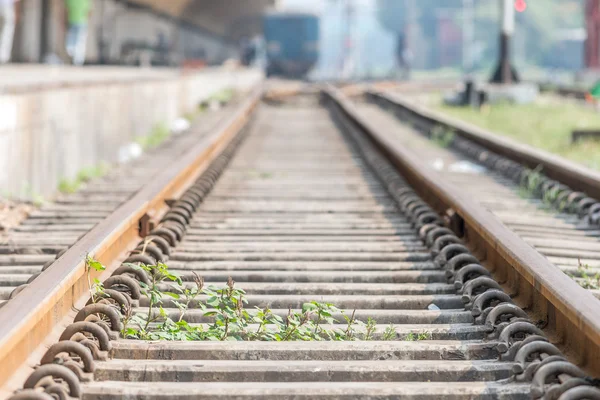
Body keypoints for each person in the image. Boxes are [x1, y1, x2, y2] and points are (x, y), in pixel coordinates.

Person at [65, 0, 91, 66]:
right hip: (82, 22)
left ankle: (72, 53)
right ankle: (78, 60)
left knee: (72, 39)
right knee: (80, 41)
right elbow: (89, 12)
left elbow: (66, 10)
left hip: (72, 21)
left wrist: (65, 21)